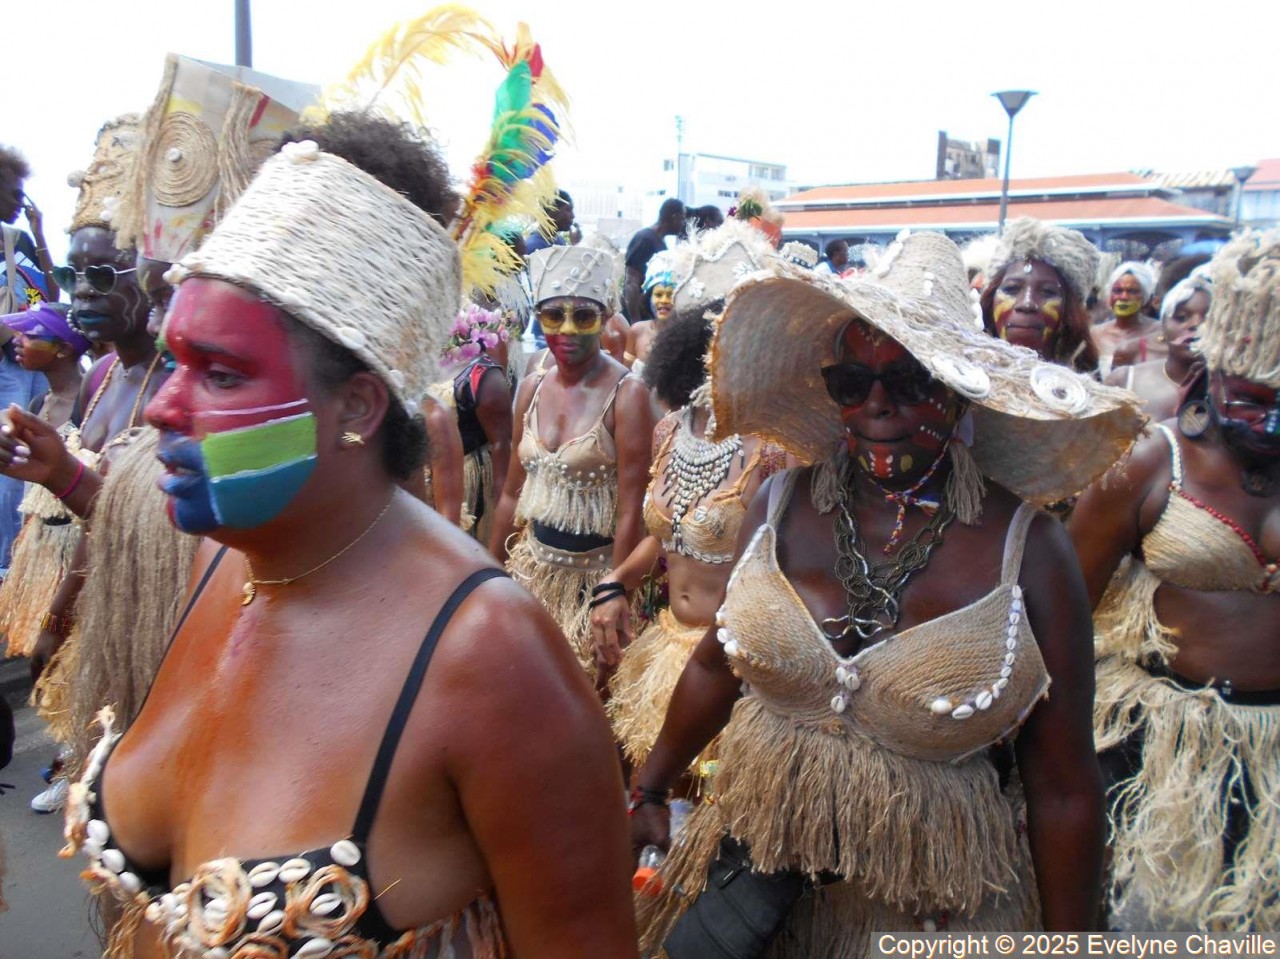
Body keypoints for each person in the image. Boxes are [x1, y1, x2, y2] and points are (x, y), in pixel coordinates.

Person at [57, 112, 636, 959]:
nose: (164, 407)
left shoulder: (490, 658)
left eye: (222, 374)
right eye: (175, 361)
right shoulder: (222, 556)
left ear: (358, 406)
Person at [631, 232, 1143, 954]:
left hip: (931, 919)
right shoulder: (779, 502)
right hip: (756, 896)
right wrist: (650, 787)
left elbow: (1062, 787)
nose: (877, 405)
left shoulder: (1029, 550)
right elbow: (716, 664)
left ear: (958, 390)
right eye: (853, 383)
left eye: (907, 382)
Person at [1071, 230, 1280, 932]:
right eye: (1252, 399)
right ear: (1213, 369)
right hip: (1157, 751)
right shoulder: (1149, 460)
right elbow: (1062, 613)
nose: (1271, 421)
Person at [594, 221, 785, 769]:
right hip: (661, 650)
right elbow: (669, 536)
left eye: (738, 336)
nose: (721, 352)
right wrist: (616, 582)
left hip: (733, 676)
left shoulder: (775, 449)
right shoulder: (669, 430)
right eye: (710, 335)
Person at [490, 244, 655, 682]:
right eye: (553, 316)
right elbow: (510, 494)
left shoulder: (628, 394)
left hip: (592, 586)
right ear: (538, 317)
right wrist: (488, 574)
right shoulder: (530, 387)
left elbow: (631, 510)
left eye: (583, 317)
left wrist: (613, 595)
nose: (567, 330)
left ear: (605, 318)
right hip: (532, 573)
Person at [0, 304, 89, 662]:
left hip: (77, 551)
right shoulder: (39, 403)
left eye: (29, 336)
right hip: (42, 547)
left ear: (63, 349)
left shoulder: (89, 402)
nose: (17, 341)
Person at [980, 217, 1101, 373]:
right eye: (1012, 289)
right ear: (989, 302)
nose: (1027, 304)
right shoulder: (959, 378)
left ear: (1069, 311)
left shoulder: (1085, 385)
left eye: (1047, 292)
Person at [438, 301, 515, 542]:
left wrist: (503, 524)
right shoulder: (412, 365)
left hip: (468, 484)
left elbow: (503, 446)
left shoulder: (483, 377)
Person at [1105, 270, 1211, 421]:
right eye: (1181, 317)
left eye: (1208, 320)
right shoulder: (1124, 379)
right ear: (1163, 324)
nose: (1195, 325)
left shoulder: (1229, 392)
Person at [0, 144, 57, 307]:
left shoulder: (19, 240)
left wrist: (39, 235)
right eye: (16, 195)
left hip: (34, 324)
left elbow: (52, 298)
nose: (22, 204)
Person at [624, 197, 686, 322]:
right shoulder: (645, 239)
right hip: (639, 319)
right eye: (682, 218)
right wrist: (635, 320)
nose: (683, 223)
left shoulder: (658, 241)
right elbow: (631, 282)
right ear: (674, 217)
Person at [1094, 261, 1160, 376]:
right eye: (1118, 291)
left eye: (1132, 291)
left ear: (1145, 296)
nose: (1124, 297)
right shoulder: (1095, 334)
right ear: (1110, 295)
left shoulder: (1160, 332)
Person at [624, 249, 681, 376]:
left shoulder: (688, 336)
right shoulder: (637, 331)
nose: (664, 300)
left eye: (670, 295)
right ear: (649, 298)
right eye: (658, 295)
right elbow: (625, 379)